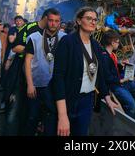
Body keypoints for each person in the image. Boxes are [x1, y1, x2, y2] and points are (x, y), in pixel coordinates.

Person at [51, 7, 119, 136]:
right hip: (69, 99)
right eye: (89, 18)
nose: (93, 22)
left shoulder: (96, 46)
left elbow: (100, 75)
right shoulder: (68, 42)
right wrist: (62, 115)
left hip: (87, 100)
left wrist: (107, 97)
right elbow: (58, 77)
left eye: (95, 19)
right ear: (78, 21)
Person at [24, 8, 66, 136]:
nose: (53, 23)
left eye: (56, 21)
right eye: (51, 20)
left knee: (51, 118)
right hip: (36, 84)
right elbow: (27, 62)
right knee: (32, 117)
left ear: (60, 23)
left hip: (55, 87)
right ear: (47, 20)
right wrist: (29, 84)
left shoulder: (65, 39)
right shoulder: (34, 37)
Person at [100, 30, 135, 120]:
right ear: (112, 42)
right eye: (118, 42)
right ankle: (128, 123)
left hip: (119, 82)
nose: (119, 44)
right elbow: (107, 77)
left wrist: (120, 66)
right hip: (114, 85)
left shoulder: (112, 55)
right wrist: (122, 80)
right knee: (131, 104)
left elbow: (113, 70)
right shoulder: (104, 56)